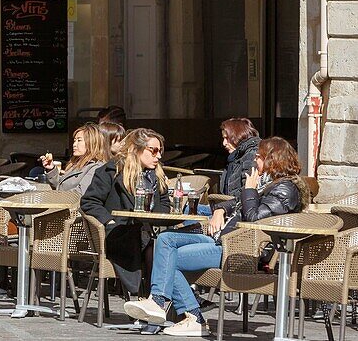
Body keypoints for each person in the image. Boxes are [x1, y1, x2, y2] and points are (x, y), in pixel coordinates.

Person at [124, 137, 309, 337]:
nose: (255, 160)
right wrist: (220, 209)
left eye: (259, 156)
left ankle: (187, 314)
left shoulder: (285, 189)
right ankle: (161, 304)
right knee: (166, 239)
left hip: (243, 250)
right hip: (224, 239)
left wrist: (249, 189)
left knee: (171, 258)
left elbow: (254, 218)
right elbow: (236, 203)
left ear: (273, 159)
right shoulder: (268, 183)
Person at [81, 127, 171, 298]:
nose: (158, 156)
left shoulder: (156, 175)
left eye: (160, 151)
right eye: (154, 151)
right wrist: (109, 222)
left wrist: (155, 218)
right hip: (119, 233)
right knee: (156, 246)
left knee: (167, 244)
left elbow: (165, 202)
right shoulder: (112, 171)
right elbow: (89, 201)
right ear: (136, 149)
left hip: (148, 232)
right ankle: (152, 299)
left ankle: (156, 300)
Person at [39, 122, 108, 195]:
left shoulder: (96, 167)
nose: (74, 144)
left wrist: (52, 197)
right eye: (74, 141)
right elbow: (60, 186)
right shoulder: (75, 163)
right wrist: (51, 168)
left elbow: (80, 193)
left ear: (92, 143)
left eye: (79, 140)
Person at [217, 117, 260, 198]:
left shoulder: (251, 155)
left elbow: (247, 190)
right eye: (223, 138)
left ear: (238, 136)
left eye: (227, 138)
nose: (224, 143)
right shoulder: (234, 157)